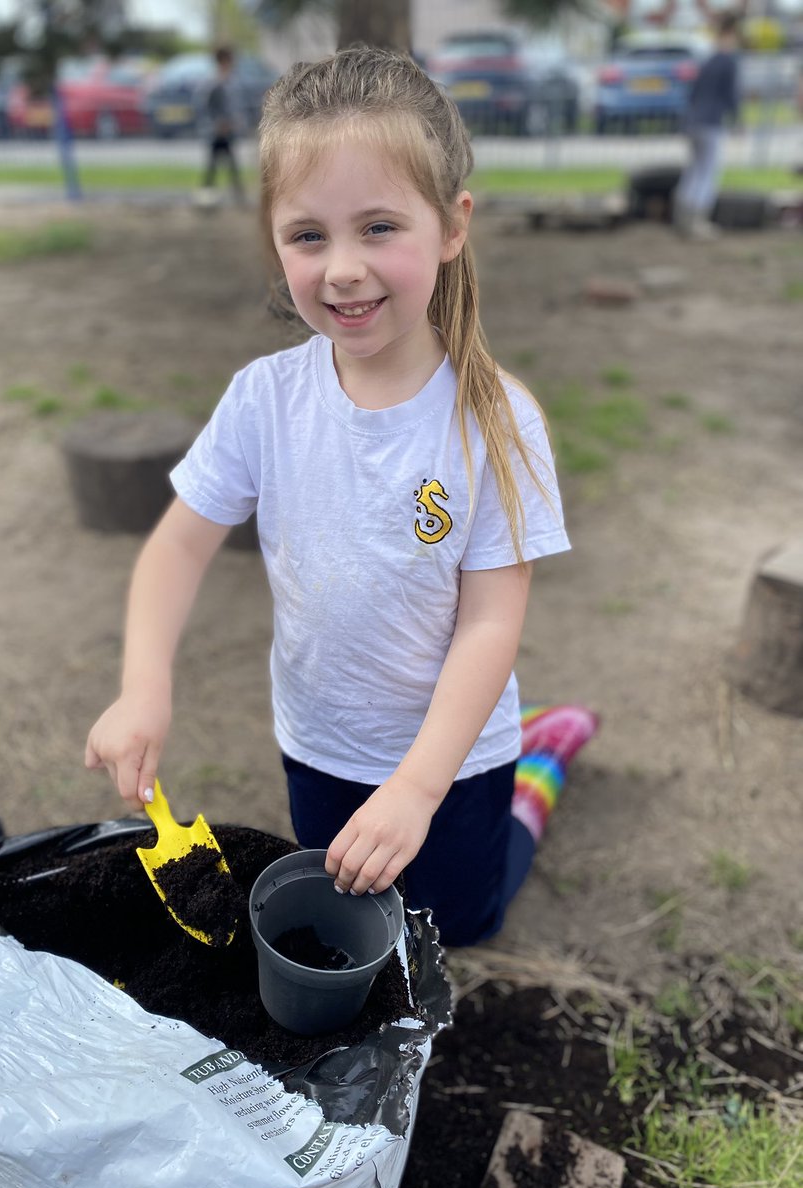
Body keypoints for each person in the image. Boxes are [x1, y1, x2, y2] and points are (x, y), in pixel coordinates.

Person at [86, 47, 571, 947]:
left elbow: (490, 623)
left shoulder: (497, 419)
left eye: (380, 227)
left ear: (453, 224)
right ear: (274, 238)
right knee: (359, 923)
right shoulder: (265, 399)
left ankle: (544, 762)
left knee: (461, 922)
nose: (342, 268)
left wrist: (421, 787)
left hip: (455, 761)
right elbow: (179, 545)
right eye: (309, 236)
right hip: (319, 744)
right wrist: (142, 687)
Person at [673, 12, 742, 240]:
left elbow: (693, 93)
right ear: (731, 34)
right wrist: (738, 120)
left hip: (693, 121)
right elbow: (731, 95)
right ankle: (697, 222)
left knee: (694, 170)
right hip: (711, 122)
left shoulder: (708, 60)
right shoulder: (727, 60)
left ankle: (682, 217)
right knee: (708, 172)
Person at [196, 45, 246, 208]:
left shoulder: (230, 81)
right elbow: (206, 107)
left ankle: (236, 196)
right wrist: (217, 123)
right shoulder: (214, 83)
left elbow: (234, 106)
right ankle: (208, 197)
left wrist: (235, 122)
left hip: (228, 131)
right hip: (217, 132)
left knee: (228, 164)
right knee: (214, 164)